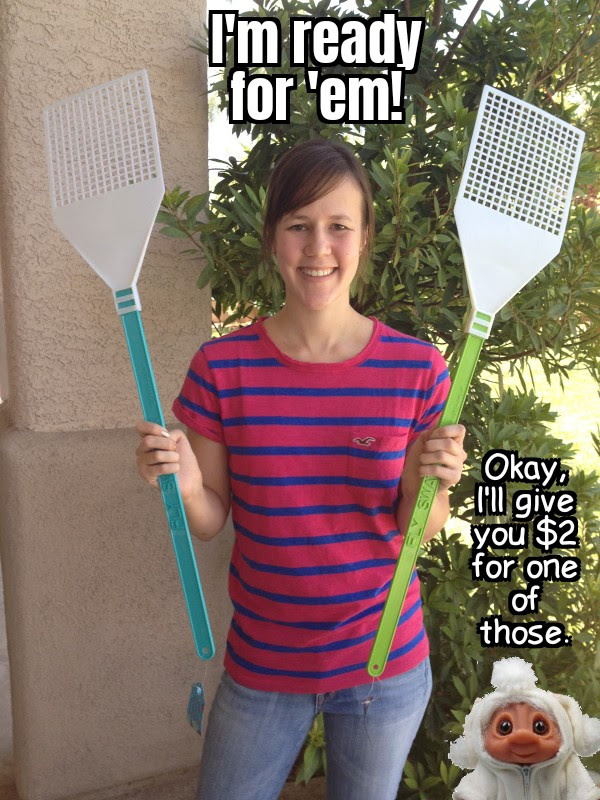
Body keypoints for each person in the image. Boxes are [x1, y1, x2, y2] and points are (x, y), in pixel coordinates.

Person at [135, 139, 467, 800]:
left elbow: (419, 528)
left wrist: (435, 484)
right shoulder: (221, 369)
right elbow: (208, 523)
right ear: (272, 239)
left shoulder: (417, 371)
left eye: (339, 227)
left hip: (383, 667)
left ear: (364, 238)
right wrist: (189, 488)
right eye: (299, 226)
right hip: (263, 666)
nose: (319, 248)